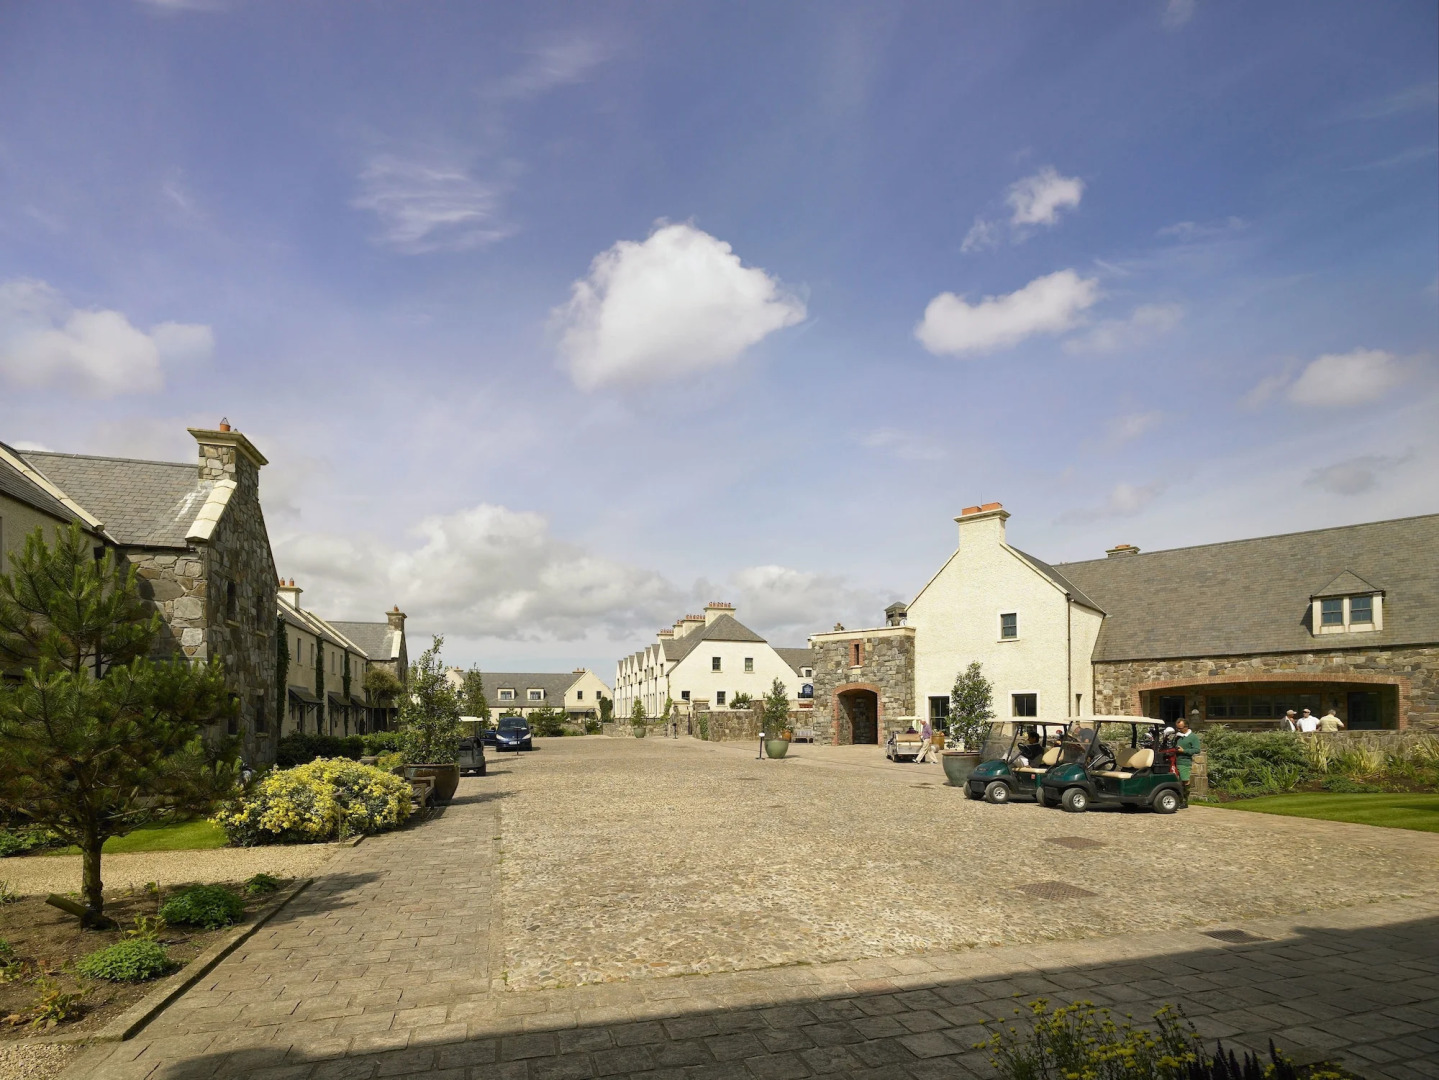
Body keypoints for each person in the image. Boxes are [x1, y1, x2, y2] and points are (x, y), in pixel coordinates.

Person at [1174, 717, 1201, 795]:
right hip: (1174, 761)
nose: (1178, 730)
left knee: (1185, 780)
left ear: (1186, 727)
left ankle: (1184, 801)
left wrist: (1184, 751)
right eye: (1177, 728)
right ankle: (1178, 799)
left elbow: (1197, 750)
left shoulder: (1192, 737)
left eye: (1180, 728)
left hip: (1184, 762)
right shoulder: (1177, 736)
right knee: (1176, 781)